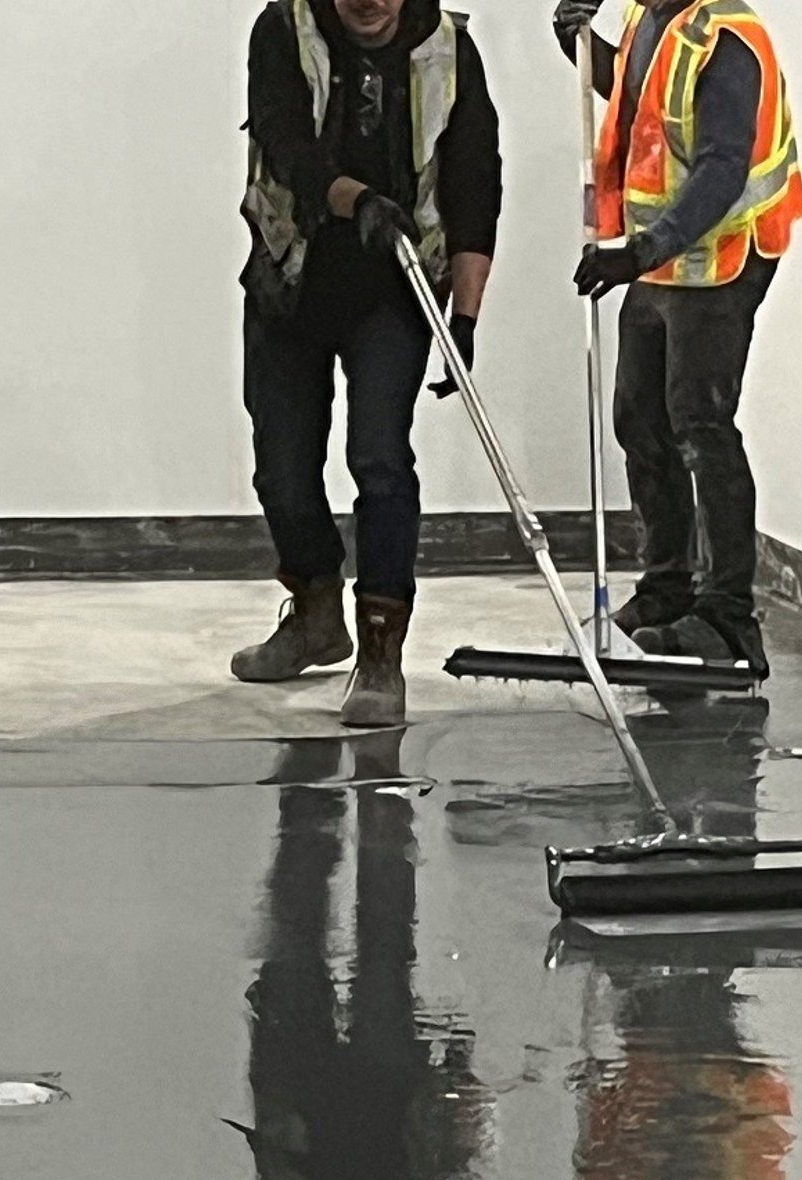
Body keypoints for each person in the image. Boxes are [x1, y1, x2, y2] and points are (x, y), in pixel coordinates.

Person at [236, 0, 504, 727]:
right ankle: (316, 613)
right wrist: (358, 202)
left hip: (392, 289)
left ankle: (381, 651)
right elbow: (287, 145)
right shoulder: (283, 30)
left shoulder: (449, 50)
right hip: (291, 279)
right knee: (281, 469)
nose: (368, 2)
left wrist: (465, 318)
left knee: (380, 458)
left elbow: (475, 183)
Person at [553, 0, 802, 678]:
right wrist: (581, 44)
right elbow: (640, 102)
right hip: (665, 259)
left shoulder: (726, 37)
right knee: (640, 418)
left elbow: (722, 169)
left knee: (700, 425)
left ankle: (728, 619)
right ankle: (668, 588)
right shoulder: (652, 16)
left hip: (722, 258)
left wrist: (641, 250)